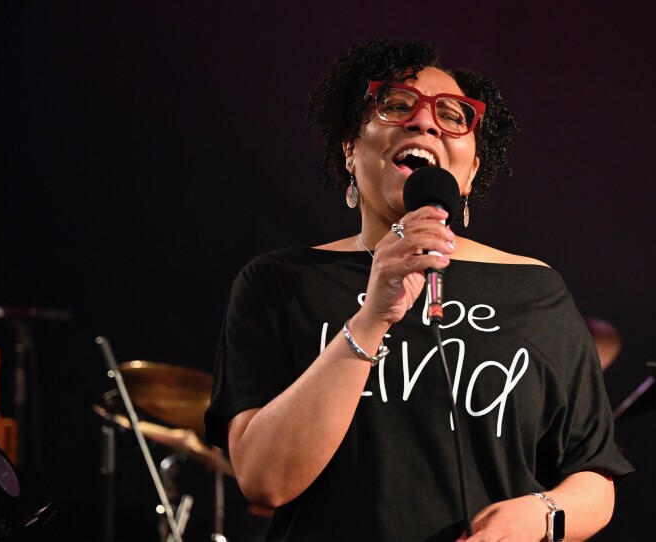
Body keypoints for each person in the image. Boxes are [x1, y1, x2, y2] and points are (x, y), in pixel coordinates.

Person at [204, 39, 633, 541]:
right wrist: (371, 318)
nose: (424, 122)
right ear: (349, 148)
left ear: (471, 171)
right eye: (395, 105)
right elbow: (264, 481)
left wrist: (539, 515)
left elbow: (594, 478)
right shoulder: (281, 283)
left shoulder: (536, 288)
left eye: (453, 116)